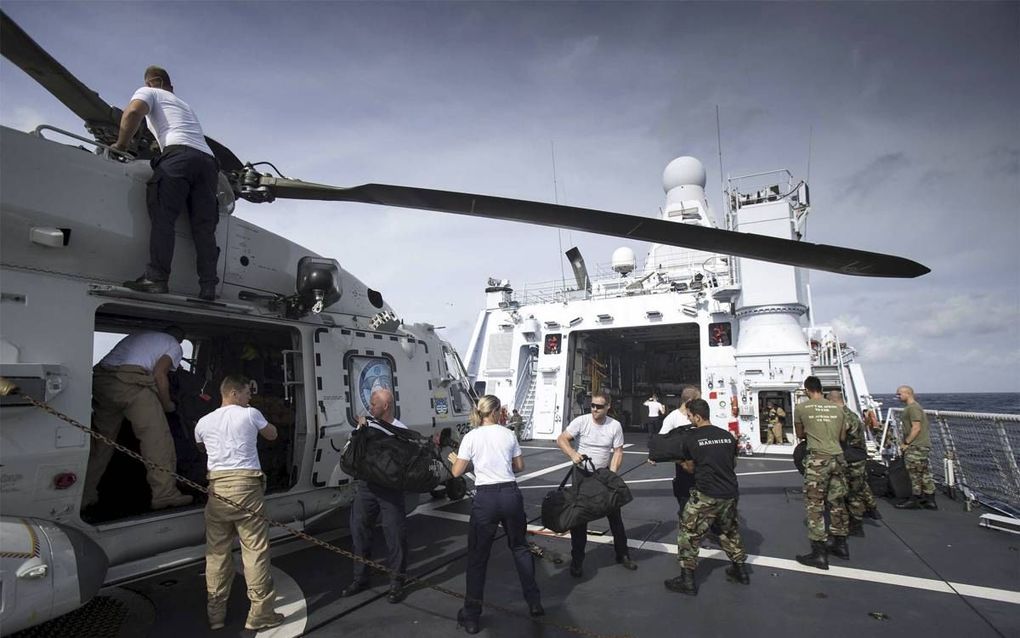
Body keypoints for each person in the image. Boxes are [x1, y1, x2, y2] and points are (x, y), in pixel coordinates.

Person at [112, 66, 220, 301]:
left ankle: (156, 278)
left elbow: (132, 113)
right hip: (208, 163)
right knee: (204, 228)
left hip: (178, 156)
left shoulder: (149, 92)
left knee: (164, 215)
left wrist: (120, 145)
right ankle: (209, 286)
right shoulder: (184, 105)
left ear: (155, 82)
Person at [195, 374, 284, 631]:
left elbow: (201, 447)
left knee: (217, 553)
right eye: (246, 393)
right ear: (234, 393)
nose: (249, 397)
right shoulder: (250, 414)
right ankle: (260, 612)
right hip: (246, 486)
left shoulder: (203, 422)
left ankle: (215, 613)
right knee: (254, 550)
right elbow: (272, 435)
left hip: (217, 489)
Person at [449, 395, 542, 634]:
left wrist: (459, 461)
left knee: (478, 558)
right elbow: (519, 466)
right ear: (497, 412)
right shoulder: (508, 434)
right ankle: (534, 603)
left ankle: (471, 617)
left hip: (486, 499)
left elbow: (457, 472)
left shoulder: (471, 437)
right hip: (510, 495)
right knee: (520, 548)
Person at [84, 326, 193, 511]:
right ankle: (165, 495)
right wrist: (167, 405)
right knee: (157, 440)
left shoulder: (141, 336)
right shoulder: (173, 344)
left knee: (101, 441)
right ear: (180, 338)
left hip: (103, 380)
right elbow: (160, 375)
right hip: (131, 381)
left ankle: (85, 495)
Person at [664, 399, 749, 595]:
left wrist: (677, 459)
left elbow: (690, 468)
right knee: (729, 531)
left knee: (688, 533)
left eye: (690, 417)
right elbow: (732, 463)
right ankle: (741, 571)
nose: (689, 420)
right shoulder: (727, 436)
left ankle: (687, 581)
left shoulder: (692, 438)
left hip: (706, 494)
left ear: (698, 416)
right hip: (730, 493)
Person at [556, 391, 637, 577]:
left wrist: (613, 474)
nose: (594, 409)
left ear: (608, 407)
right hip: (582, 475)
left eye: (599, 406)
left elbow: (618, 451)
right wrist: (573, 454)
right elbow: (562, 439)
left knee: (614, 515)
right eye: (592, 405)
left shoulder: (614, 425)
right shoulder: (581, 421)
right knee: (579, 519)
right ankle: (577, 561)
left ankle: (622, 554)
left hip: (603, 475)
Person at [340, 387, 409, 603]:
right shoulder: (366, 426)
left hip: (390, 490)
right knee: (359, 531)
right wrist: (360, 431)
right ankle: (361, 577)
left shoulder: (400, 430)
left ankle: (397, 582)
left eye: (374, 404)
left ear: (385, 406)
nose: (371, 408)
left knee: (395, 536)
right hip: (367, 487)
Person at [794, 376, 849, 570]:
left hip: (818, 459)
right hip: (838, 457)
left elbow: (800, 434)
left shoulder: (802, 408)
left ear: (808, 389)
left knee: (815, 504)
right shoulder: (838, 408)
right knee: (837, 501)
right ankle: (840, 545)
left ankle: (819, 553)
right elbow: (842, 436)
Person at [827, 391, 881, 533]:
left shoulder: (843, 416)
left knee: (848, 492)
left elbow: (841, 436)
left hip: (850, 457)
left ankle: (853, 524)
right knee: (857, 489)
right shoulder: (852, 414)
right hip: (858, 455)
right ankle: (863, 516)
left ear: (832, 402)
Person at [658, 386, 701, 515]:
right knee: (685, 503)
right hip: (684, 468)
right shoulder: (673, 418)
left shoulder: (697, 416)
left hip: (701, 466)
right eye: (698, 399)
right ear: (690, 400)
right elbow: (662, 441)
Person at [893, 386, 938, 510]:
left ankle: (915, 498)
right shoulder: (913, 407)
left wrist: (906, 443)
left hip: (916, 446)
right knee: (923, 472)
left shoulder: (913, 408)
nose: (897, 396)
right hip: (921, 445)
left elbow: (916, 427)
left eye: (899, 394)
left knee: (914, 473)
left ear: (907, 393)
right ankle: (930, 499)